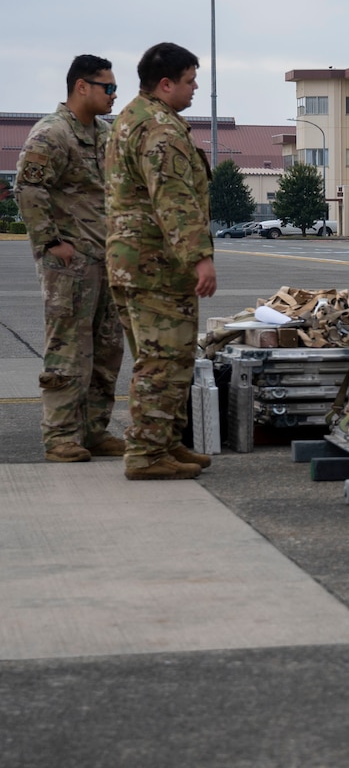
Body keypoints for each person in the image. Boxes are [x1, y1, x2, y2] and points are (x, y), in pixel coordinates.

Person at [105, 41, 216, 481]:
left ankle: (166, 442)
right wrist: (199, 259)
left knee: (159, 357)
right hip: (156, 266)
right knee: (164, 361)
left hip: (131, 260)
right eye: (189, 82)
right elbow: (174, 199)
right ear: (166, 84)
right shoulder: (161, 129)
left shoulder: (131, 117)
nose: (194, 90)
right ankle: (147, 454)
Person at [16, 54, 125, 463]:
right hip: (71, 264)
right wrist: (50, 244)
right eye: (108, 88)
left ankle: (95, 431)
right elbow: (29, 191)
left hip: (105, 258)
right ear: (82, 86)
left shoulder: (104, 133)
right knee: (67, 349)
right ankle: (61, 435)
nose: (114, 95)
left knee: (106, 349)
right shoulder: (52, 134)